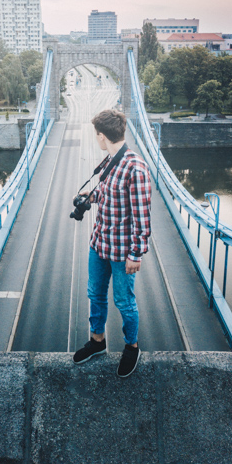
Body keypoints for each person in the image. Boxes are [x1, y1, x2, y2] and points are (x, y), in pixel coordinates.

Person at [73, 109, 151, 378]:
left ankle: (132, 346)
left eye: (97, 135)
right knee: (94, 295)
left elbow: (142, 217)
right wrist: (91, 196)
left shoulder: (135, 168)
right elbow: (110, 196)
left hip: (121, 253)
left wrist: (136, 254)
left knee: (124, 302)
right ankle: (97, 342)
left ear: (103, 136)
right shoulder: (109, 161)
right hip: (99, 244)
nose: (96, 139)